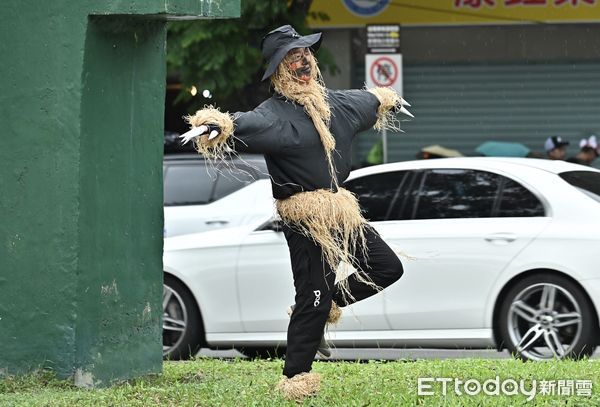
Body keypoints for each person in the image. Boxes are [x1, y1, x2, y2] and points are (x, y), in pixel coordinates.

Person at [179, 25, 410, 401]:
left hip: (340, 212)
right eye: (291, 57)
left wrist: (387, 99)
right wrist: (216, 124)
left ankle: (326, 308)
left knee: (387, 268)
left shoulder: (336, 105)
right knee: (313, 295)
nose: (301, 61)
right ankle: (296, 378)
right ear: (279, 70)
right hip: (304, 218)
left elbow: (365, 99)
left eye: (304, 54)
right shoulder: (275, 114)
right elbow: (242, 121)